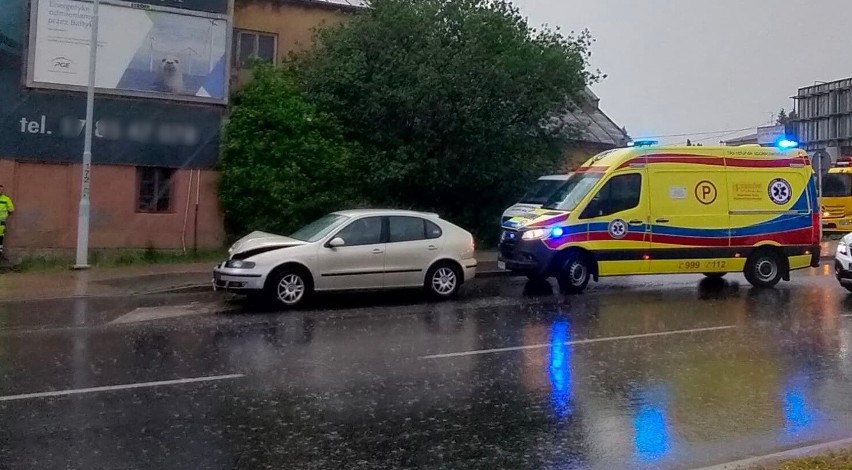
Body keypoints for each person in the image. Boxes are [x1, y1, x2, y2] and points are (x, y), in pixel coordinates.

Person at [0, 185, 15, 254]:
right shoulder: (6, 199)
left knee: (0, 239)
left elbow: (11, 209)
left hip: (1, 223)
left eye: (1, 189)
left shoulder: (6, 199)